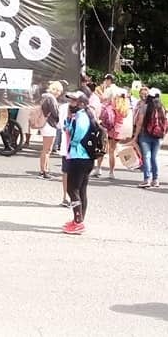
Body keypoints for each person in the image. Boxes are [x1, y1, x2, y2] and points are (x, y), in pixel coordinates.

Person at [62, 91, 95, 235]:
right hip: (85, 158)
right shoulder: (81, 115)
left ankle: (78, 222)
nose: (71, 104)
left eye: (74, 101)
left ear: (81, 103)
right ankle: (79, 219)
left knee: (72, 189)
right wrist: (69, 122)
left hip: (79, 157)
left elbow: (76, 137)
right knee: (81, 190)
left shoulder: (81, 117)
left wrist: (68, 126)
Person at [132, 88, 167, 188]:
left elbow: (139, 123)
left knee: (146, 156)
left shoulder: (145, 107)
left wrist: (135, 136)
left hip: (145, 134)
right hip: (158, 136)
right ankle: (155, 180)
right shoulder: (162, 107)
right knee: (154, 157)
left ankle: (147, 179)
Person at [34, 81, 63, 179]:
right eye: (59, 91)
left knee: (46, 149)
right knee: (47, 150)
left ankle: (44, 169)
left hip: (44, 124)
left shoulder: (44, 97)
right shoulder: (51, 98)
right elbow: (55, 113)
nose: (59, 93)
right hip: (50, 124)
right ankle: (44, 171)